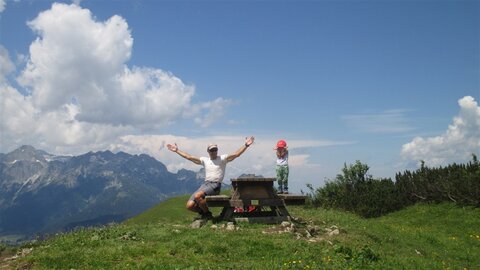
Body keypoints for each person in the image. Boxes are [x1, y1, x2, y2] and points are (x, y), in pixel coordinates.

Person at [167, 136, 255, 220]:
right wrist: (177, 150)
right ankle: (204, 213)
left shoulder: (222, 159)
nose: (213, 151)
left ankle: (208, 214)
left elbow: (236, 154)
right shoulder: (204, 160)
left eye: (215, 149)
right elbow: (189, 157)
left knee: (198, 196)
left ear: (217, 150)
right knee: (189, 206)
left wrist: (246, 145)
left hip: (215, 185)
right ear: (208, 151)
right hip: (205, 185)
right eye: (211, 150)